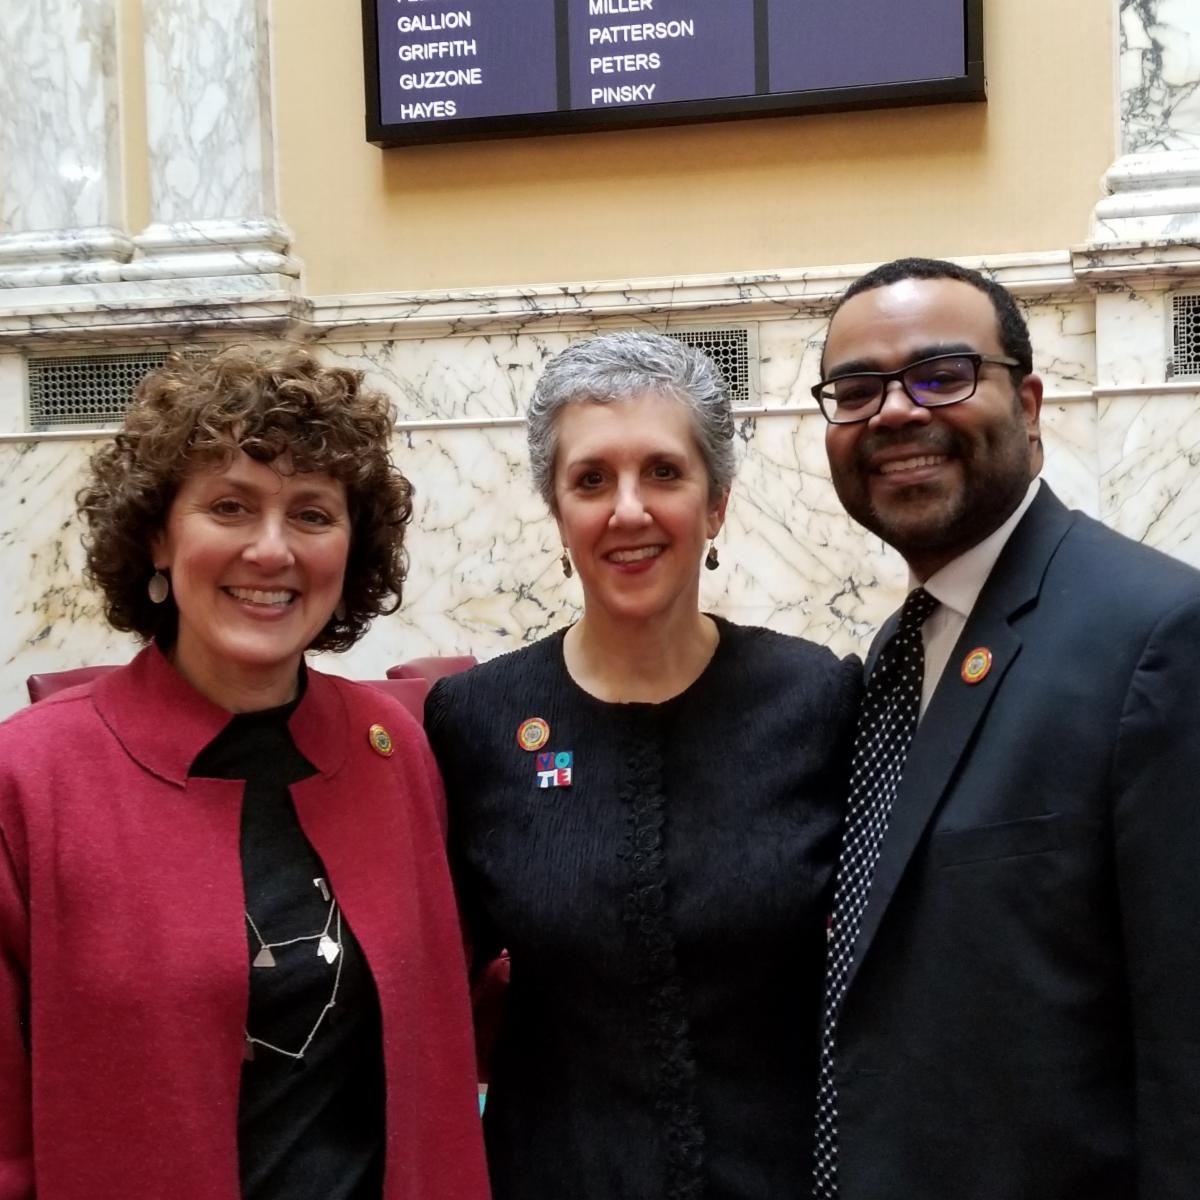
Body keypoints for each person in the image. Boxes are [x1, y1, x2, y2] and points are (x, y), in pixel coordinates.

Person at [0, 348, 489, 1200]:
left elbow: (440, 1042)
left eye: (312, 514)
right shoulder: (30, 780)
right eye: (230, 506)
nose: (272, 550)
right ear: (158, 533)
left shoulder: (391, 749)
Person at [425, 330, 860, 1200]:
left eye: (664, 472)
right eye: (591, 480)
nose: (628, 510)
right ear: (557, 512)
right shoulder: (475, 720)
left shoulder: (817, 698)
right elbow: (434, 988)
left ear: (716, 504)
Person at [811, 257, 1200, 1200]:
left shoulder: (1157, 634)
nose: (895, 412)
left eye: (942, 375)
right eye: (857, 391)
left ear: (1028, 407)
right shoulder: (899, 649)